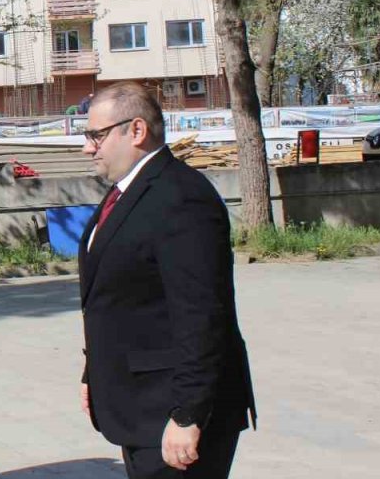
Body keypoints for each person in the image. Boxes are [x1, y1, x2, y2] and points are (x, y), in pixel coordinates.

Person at [78, 83, 256, 479]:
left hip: (173, 415)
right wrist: (95, 373)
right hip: (139, 407)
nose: (88, 148)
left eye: (96, 135)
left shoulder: (180, 198)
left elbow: (202, 315)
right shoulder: (127, 194)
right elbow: (121, 300)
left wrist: (188, 415)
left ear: (136, 131)